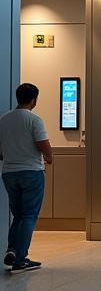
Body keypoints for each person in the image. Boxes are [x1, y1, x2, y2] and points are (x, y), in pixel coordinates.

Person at [0, 83, 52, 272]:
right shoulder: (34, 120)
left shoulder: (3, 120)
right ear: (34, 100)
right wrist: (50, 158)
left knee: (19, 215)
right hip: (31, 172)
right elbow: (42, 143)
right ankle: (20, 259)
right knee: (29, 215)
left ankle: (12, 250)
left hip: (9, 174)